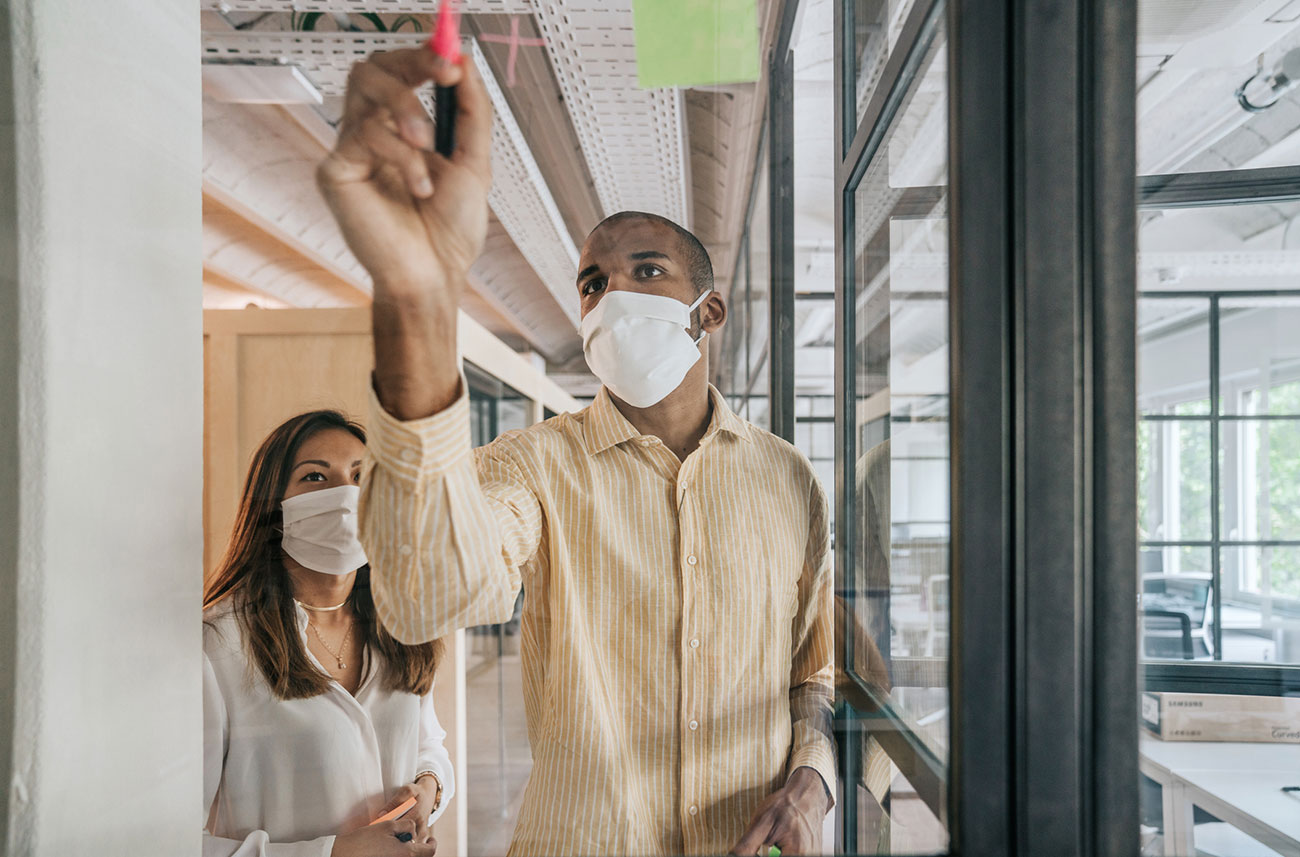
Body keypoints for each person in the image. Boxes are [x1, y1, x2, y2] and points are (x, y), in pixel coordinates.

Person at [316, 49, 834, 856]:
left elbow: (816, 667)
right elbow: (424, 595)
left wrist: (814, 777)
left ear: (711, 311)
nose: (611, 296)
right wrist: (418, 296)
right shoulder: (534, 466)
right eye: (594, 282)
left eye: (646, 271)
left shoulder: (788, 478)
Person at [203, 410, 454, 857]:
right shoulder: (217, 645)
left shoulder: (401, 628)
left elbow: (427, 744)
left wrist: (428, 788)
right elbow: (166, 837)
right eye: (316, 477)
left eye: (362, 477)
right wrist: (332, 852)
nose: (345, 495)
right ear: (274, 508)